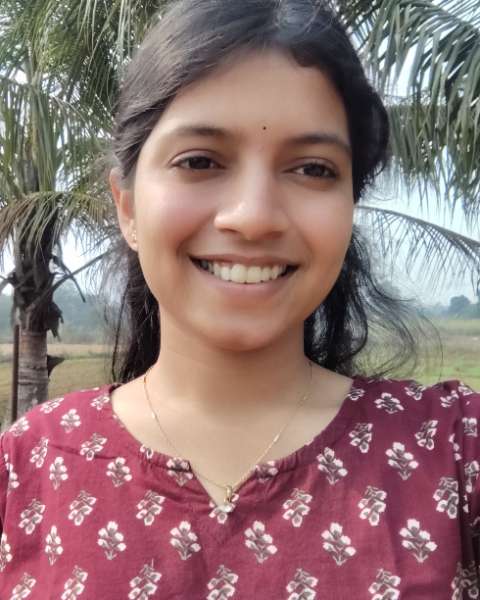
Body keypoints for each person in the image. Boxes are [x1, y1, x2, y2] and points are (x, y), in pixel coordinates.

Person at [1, 0, 478, 597]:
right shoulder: (30, 466)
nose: (254, 217)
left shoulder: (453, 453)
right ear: (127, 207)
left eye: (312, 169)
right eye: (199, 161)